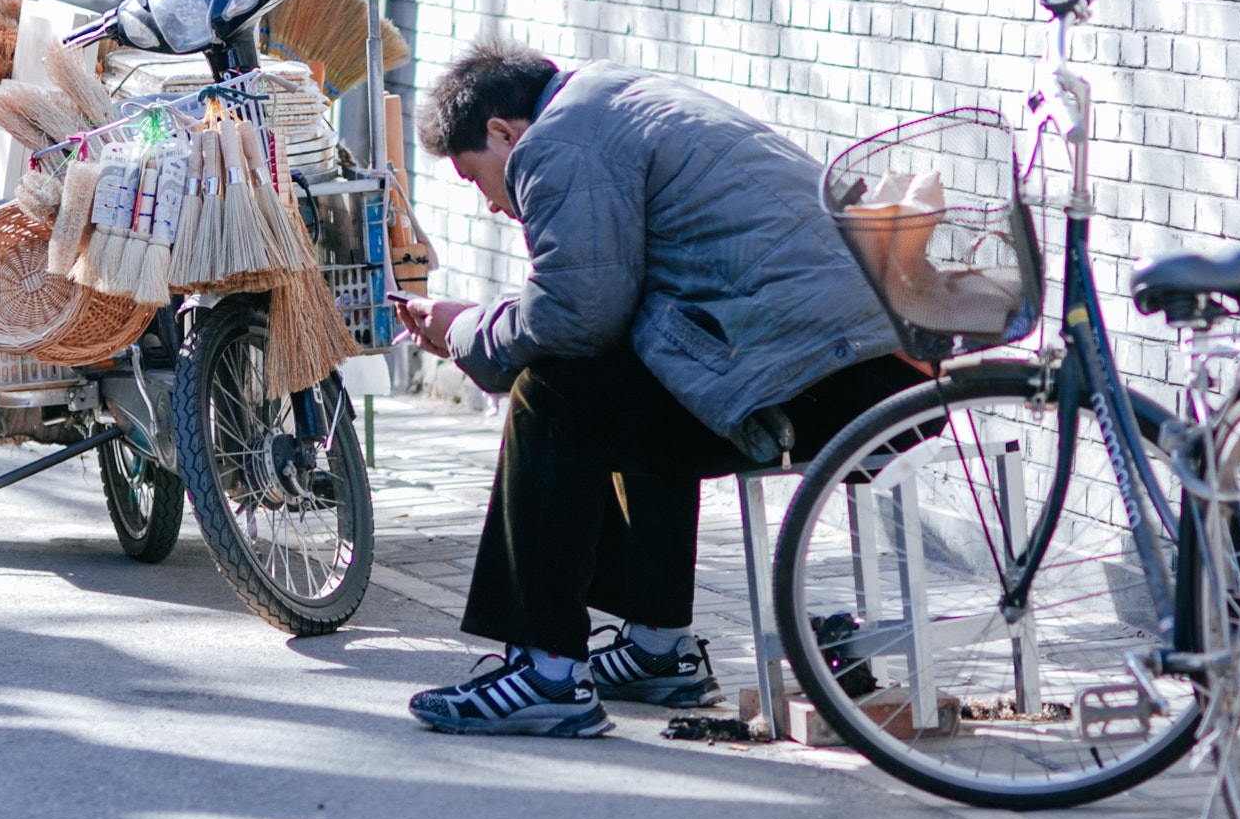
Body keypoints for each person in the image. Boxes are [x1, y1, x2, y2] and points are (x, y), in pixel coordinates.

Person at [396, 37, 928, 737]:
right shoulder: (611, 99)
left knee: (551, 393)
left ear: (503, 131)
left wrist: (464, 330)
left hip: (827, 380)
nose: (492, 203)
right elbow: (605, 307)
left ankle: (545, 670)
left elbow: (575, 315)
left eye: (475, 178)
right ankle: (656, 648)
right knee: (634, 367)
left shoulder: (558, 146)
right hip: (871, 364)